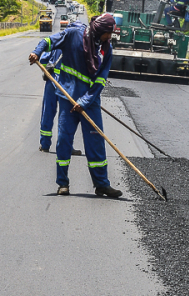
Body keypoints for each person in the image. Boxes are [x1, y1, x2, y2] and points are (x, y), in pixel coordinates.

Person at [29, 13, 121, 198]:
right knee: (64, 141)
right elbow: (48, 41)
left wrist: (85, 102)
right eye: (108, 34)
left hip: (90, 103)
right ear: (100, 30)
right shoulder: (73, 35)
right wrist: (37, 53)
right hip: (67, 98)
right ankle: (62, 184)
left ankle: (102, 184)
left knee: (95, 143)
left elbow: (101, 80)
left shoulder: (106, 49)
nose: (110, 38)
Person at [37, 22, 83, 155]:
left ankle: (45, 144)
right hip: (67, 84)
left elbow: (45, 58)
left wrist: (46, 71)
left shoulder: (59, 40)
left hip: (52, 81)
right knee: (68, 117)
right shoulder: (79, 45)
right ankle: (67, 146)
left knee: (48, 112)